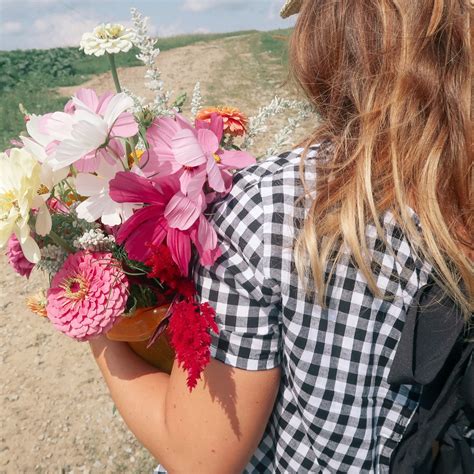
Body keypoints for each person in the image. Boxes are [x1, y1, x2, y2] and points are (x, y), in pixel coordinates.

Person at [89, 0, 473, 472]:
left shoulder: (269, 210)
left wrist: (101, 336)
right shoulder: (456, 195)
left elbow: (198, 457)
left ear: (323, 40)